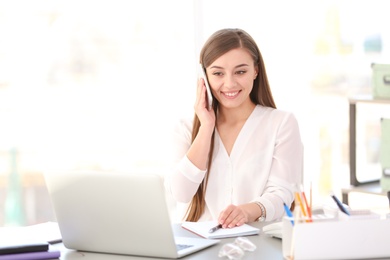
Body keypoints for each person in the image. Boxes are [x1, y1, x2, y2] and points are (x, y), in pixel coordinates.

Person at [165, 28, 303, 229]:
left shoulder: (281, 123)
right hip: (199, 249)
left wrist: (247, 211)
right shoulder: (186, 129)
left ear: (255, 70)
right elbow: (180, 193)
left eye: (240, 71)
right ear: (204, 76)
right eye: (218, 73)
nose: (229, 84)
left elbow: (282, 194)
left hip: (256, 246)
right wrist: (206, 127)